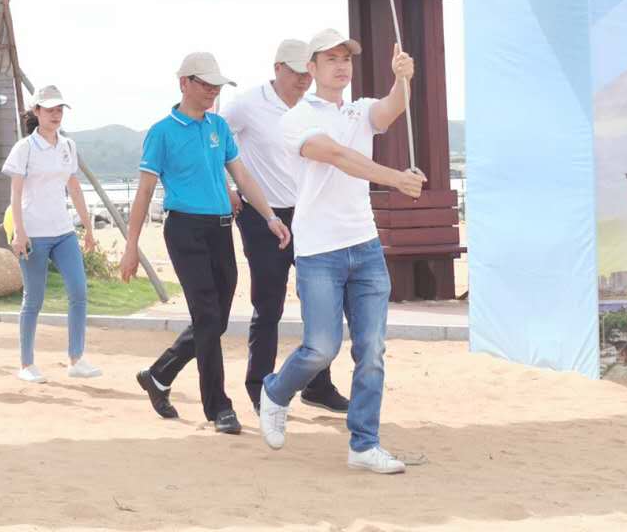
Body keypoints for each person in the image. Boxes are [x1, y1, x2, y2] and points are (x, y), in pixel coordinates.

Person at [258, 29, 427, 475]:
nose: (341, 65)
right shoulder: (295, 119)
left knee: (371, 350)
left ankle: (364, 444)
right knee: (320, 348)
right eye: (330, 58)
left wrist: (402, 79)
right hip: (319, 250)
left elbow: (390, 109)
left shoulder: (358, 109)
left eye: (346, 58)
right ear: (311, 68)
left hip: (365, 246)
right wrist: (395, 178)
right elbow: (335, 155)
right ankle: (275, 391)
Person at [120, 52, 290, 435]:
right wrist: (132, 246)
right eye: (206, 83)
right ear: (184, 83)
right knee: (208, 317)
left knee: (215, 320)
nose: (213, 90)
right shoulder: (162, 132)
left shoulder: (218, 126)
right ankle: (219, 408)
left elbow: (242, 176)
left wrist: (270, 216)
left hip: (221, 230)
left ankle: (158, 374)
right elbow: (144, 191)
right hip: (184, 231)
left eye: (217, 85)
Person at [223, 40, 349, 414]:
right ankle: (259, 386)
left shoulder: (314, 107)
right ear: (277, 68)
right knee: (269, 304)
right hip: (261, 215)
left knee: (320, 301)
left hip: (309, 215)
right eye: (294, 71)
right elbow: (213, 141)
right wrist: (226, 185)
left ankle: (317, 385)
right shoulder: (246, 104)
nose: (302, 79)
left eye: (305, 71)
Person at [4, 84, 101, 383]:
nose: (56, 115)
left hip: (63, 231)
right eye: (50, 110)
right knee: (34, 299)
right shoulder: (25, 148)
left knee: (79, 291)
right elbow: (15, 193)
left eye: (59, 110)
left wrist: (87, 227)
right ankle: (26, 364)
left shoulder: (67, 146)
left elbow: (74, 187)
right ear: (37, 112)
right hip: (33, 233)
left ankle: (76, 359)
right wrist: (20, 233)